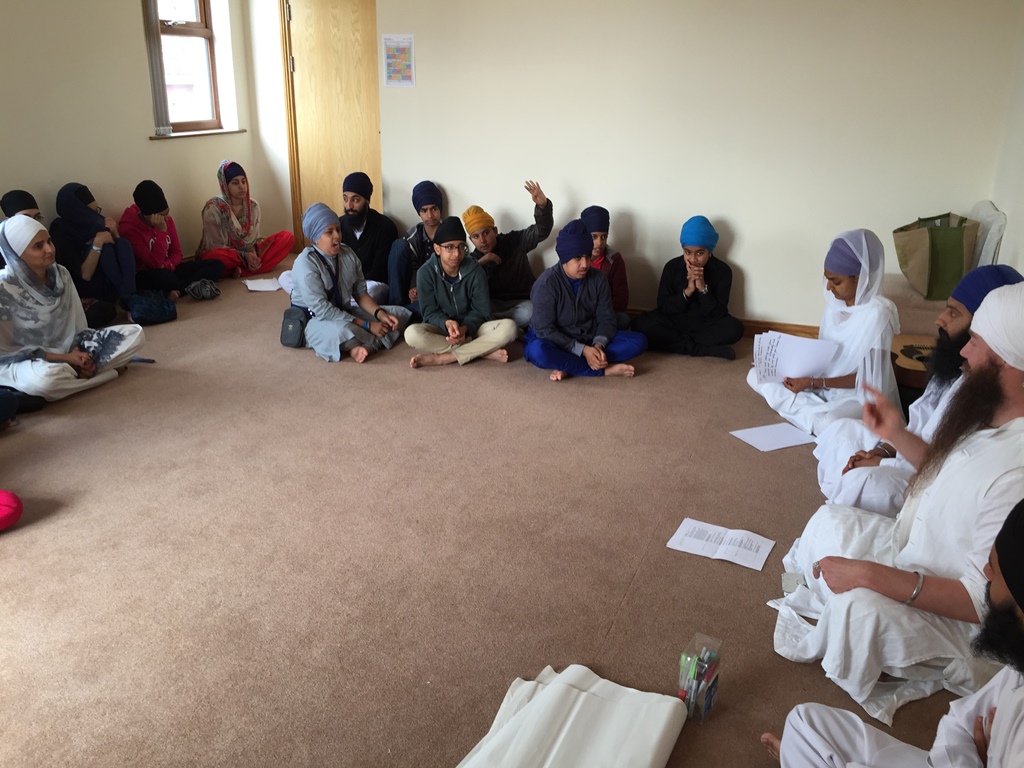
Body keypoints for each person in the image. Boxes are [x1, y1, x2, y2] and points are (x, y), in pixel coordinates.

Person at [770, 282, 1024, 724]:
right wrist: (894, 433)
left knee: (855, 611)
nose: (964, 352)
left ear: (1006, 361)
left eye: (975, 342)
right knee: (829, 521)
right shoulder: (990, 410)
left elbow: (982, 601)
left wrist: (868, 575)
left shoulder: (1016, 471)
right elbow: (945, 472)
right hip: (913, 549)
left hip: (952, 612)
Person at [762, 498, 1024, 767]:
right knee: (803, 723)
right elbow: (959, 722)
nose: (985, 572)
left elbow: (974, 599)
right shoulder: (1017, 665)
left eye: (996, 572)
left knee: (858, 612)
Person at [814, 264, 1024, 516]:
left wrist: (882, 461)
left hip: (924, 482)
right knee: (839, 430)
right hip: (910, 457)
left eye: (954, 313)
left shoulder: (986, 392)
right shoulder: (955, 367)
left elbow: (945, 471)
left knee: (860, 485)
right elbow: (919, 425)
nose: (940, 319)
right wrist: (883, 449)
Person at [746, 229, 900, 435]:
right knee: (754, 376)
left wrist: (813, 383)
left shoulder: (879, 315)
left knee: (829, 422)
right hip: (820, 385)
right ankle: (813, 412)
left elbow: (868, 382)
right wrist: (796, 371)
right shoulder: (833, 306)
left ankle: (811, 413)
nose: (828, 288)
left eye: (836, 281)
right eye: (827, 279)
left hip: (857, 395)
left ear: (858, 278)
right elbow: (823, 356)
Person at [0, 215, 145, 400]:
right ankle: (108, 373)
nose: (49, 249)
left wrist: (76, 351)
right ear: (16, 253)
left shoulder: (61, 274)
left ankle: (75, 373)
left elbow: (77, 325)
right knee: (45, 380)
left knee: (135, 334)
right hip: (30, 361)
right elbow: (8, 351)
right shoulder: (4, 288)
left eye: (49, 241)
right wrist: (65, 358)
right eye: (38, 246)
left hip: (71, 350)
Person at [523, 220, 648, 381]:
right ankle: (602, 370)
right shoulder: (546, 284)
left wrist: (597, 346)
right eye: (578, 258)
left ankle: (570, 365)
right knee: (539, 351)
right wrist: (583, 351)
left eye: (588, 256)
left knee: (639, 342)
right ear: (564, 257)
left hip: (589, 337)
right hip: (556, 342)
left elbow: (606, 319)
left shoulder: (599, 279)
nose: (585, 264)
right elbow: (545, 331)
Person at [289, 203, 410, 363]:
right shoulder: (305, 264)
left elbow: (360, 294)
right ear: (316, 238)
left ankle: (363, 345)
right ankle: (359, 346)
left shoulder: (347, 253)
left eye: (338, 229)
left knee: (397, 314)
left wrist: (381, 314)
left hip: (344, 312)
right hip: (316, 319)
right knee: (341, 330)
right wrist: (367, 325)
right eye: (329, 232)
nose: (337, 236)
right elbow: (323, 311)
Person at [405, 217, 517, 368]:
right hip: (443, 330)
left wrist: (464, 329)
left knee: (510, 328)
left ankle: (445, 358)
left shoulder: (475, 271)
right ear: (437, 249)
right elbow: (429, 313)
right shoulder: (425, 273)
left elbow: (482, 312)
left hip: (473, 329)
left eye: (461, 247)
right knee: (411, 333)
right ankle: (481, 351)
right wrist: (447, 323)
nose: (457, 254)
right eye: (450, 247)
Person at [632, 216, 743, 358]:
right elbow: (664, 307)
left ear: (709, 251)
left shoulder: (723, 271)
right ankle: (703, 349)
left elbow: (718, 313)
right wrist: (688, 291)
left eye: (700, 253)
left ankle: (676, 344)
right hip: (675, 320)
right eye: (687, 252)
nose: (693, 259)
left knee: (735, 328)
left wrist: (703, 288)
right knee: (639, 324)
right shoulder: (672, 267)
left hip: (705, 323)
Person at [463, 180, 553, 330]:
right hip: (492, 305)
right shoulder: (472, 261)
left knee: (530, 312)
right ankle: (505, 327)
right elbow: (462, 288)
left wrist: (543, 207)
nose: (482, 240)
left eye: (486, 233)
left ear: (495, 231)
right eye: (476, 236)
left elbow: (541, 231)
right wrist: (481, 263)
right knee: (473, 310)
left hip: (521, 303)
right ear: (471, 240)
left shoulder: (514, 241)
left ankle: (496, 326)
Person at [119, 180, 223, 301]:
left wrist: (167, 265)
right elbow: (154, 264)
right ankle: (186, 286)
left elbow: (177, 253)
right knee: (164, 278)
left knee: (217, 265)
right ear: (148, 215)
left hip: (170, 267)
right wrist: (161, 231)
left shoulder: (168, 220)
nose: (166, 219)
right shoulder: (129, 229)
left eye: (167, 213)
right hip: (150, 273)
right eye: (161, 216)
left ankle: (179, 290)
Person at [198, 160, 294, 278]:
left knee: (287, 237)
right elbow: (215, 246)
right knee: (212, 257)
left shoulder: (253, 206)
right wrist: (244, 255)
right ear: (225, 186)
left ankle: (243, 271)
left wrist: (252, 253)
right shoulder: (214, 208)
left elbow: (253, 240)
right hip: (227, 254)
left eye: (244, 181)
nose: (242, 186)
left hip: (249, 251)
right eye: (235, 183)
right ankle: (249, 266)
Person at [49, 182, 136, 306]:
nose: (95, 215)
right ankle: (130, 300)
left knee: (123, 243)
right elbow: (85, 275)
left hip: (110, 282)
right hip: (88, 286)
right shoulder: (61, 232)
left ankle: (129, 297)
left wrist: (115, 233)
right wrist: (97, 244)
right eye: (90, 211)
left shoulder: (94, 224)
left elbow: (119, 255)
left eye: (97, 210)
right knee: (105, 248)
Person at [339, 171, 397, 304]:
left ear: (367, 200)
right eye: (345, 199)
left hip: (372, 283)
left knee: (371, 291)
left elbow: (379, 270)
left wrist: (353, 284)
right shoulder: (339, 225)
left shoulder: (385, 226)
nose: (349, 206)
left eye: (355, 200)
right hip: (344, 283)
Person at [387, 180, 443, 316]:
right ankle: (397, 309)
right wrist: (414, 288)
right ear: (419, 212)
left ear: (440, 208)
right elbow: (412, 267)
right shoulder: (412, 236)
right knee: (398, 246)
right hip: (412, 292)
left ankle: (404, 314)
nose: (430, 215)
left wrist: (424, 289)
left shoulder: (448, 235)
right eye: (424, 210)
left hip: (437, 291)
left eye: (434, 209)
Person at [580, 205, 630, 330]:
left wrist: (598, 312)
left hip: (604, 314)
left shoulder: (615, 260)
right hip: (578, 313)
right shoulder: (573, 257)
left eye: (604, 237)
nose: (599, 243)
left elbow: (621, 300)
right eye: (594, 237)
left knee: (623, 319)